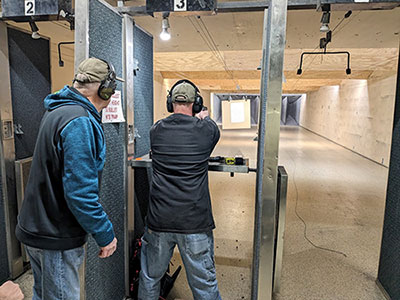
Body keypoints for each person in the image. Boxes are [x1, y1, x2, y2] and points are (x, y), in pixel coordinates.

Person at [15, 57, 123, 300]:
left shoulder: (59, 111)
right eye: (112, 88)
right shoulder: (79, 121)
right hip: (56, 234)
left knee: (43, 294)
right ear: (103, 88)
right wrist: (105, 233)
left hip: (37, 227)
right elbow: (80, 192)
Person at [139, 80, 221, 300]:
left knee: (150, 278)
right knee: (204, 284)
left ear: (170, 103)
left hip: (159, 220)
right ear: (196, 104)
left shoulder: (155, 130)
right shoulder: (208, 130)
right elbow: (211, 128)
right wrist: (203, 117)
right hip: (194, 221)